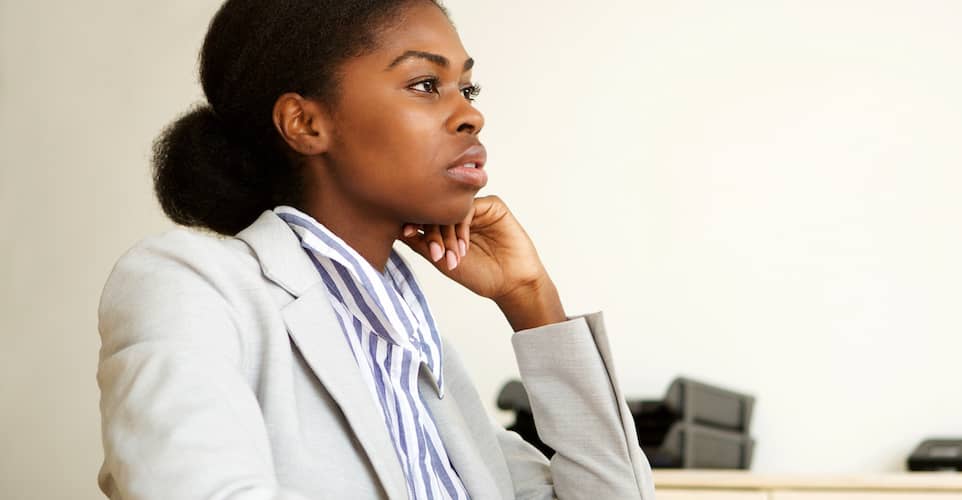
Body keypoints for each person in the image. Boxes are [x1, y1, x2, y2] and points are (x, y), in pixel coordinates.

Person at [95, 1, 656, 499]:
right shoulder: (191, 284)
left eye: (468, 88)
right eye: (423, 84)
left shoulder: (417, 353)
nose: (470, 113)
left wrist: (531, 300)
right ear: (306, 123)